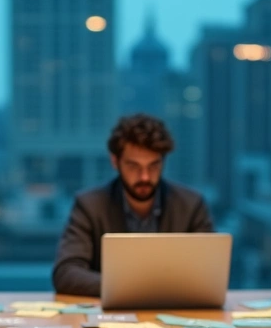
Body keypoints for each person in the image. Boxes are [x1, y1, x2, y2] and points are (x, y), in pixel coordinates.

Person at [52, 113, 214, 296]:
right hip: (113, 314)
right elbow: (66, 273)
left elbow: (208, 275)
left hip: (175, 312)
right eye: (134, 166)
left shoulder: (191, 205)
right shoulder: (90, 205)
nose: (144, 177)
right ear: (115, 162)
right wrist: (131, 290)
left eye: (153, 166)